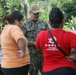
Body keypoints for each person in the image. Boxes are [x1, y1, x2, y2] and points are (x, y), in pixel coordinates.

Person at [35, 7, 76, 75]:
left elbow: (38, 47)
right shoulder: (70, 36)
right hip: (67, 70)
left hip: (48, 71)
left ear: (49, 22)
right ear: (63, 21)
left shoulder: (41, 35)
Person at [22, 4, 49, 75]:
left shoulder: (43, 23)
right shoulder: (25, 24)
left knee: (46, 72)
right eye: (35, 13)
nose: (37, 15)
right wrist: (33, 43)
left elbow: (49, 35)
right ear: (30, 13)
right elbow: (22, 39)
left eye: (38, 13)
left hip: (43, 54)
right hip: (32, 55)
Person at [1, 10, 30, 75]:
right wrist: (23, 51)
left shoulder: (5, 29)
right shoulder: (14, 28)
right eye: (22, 20)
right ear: (16, 21)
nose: (23, 22)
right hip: (17, 66)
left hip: (8, 65)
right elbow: (20, 39)